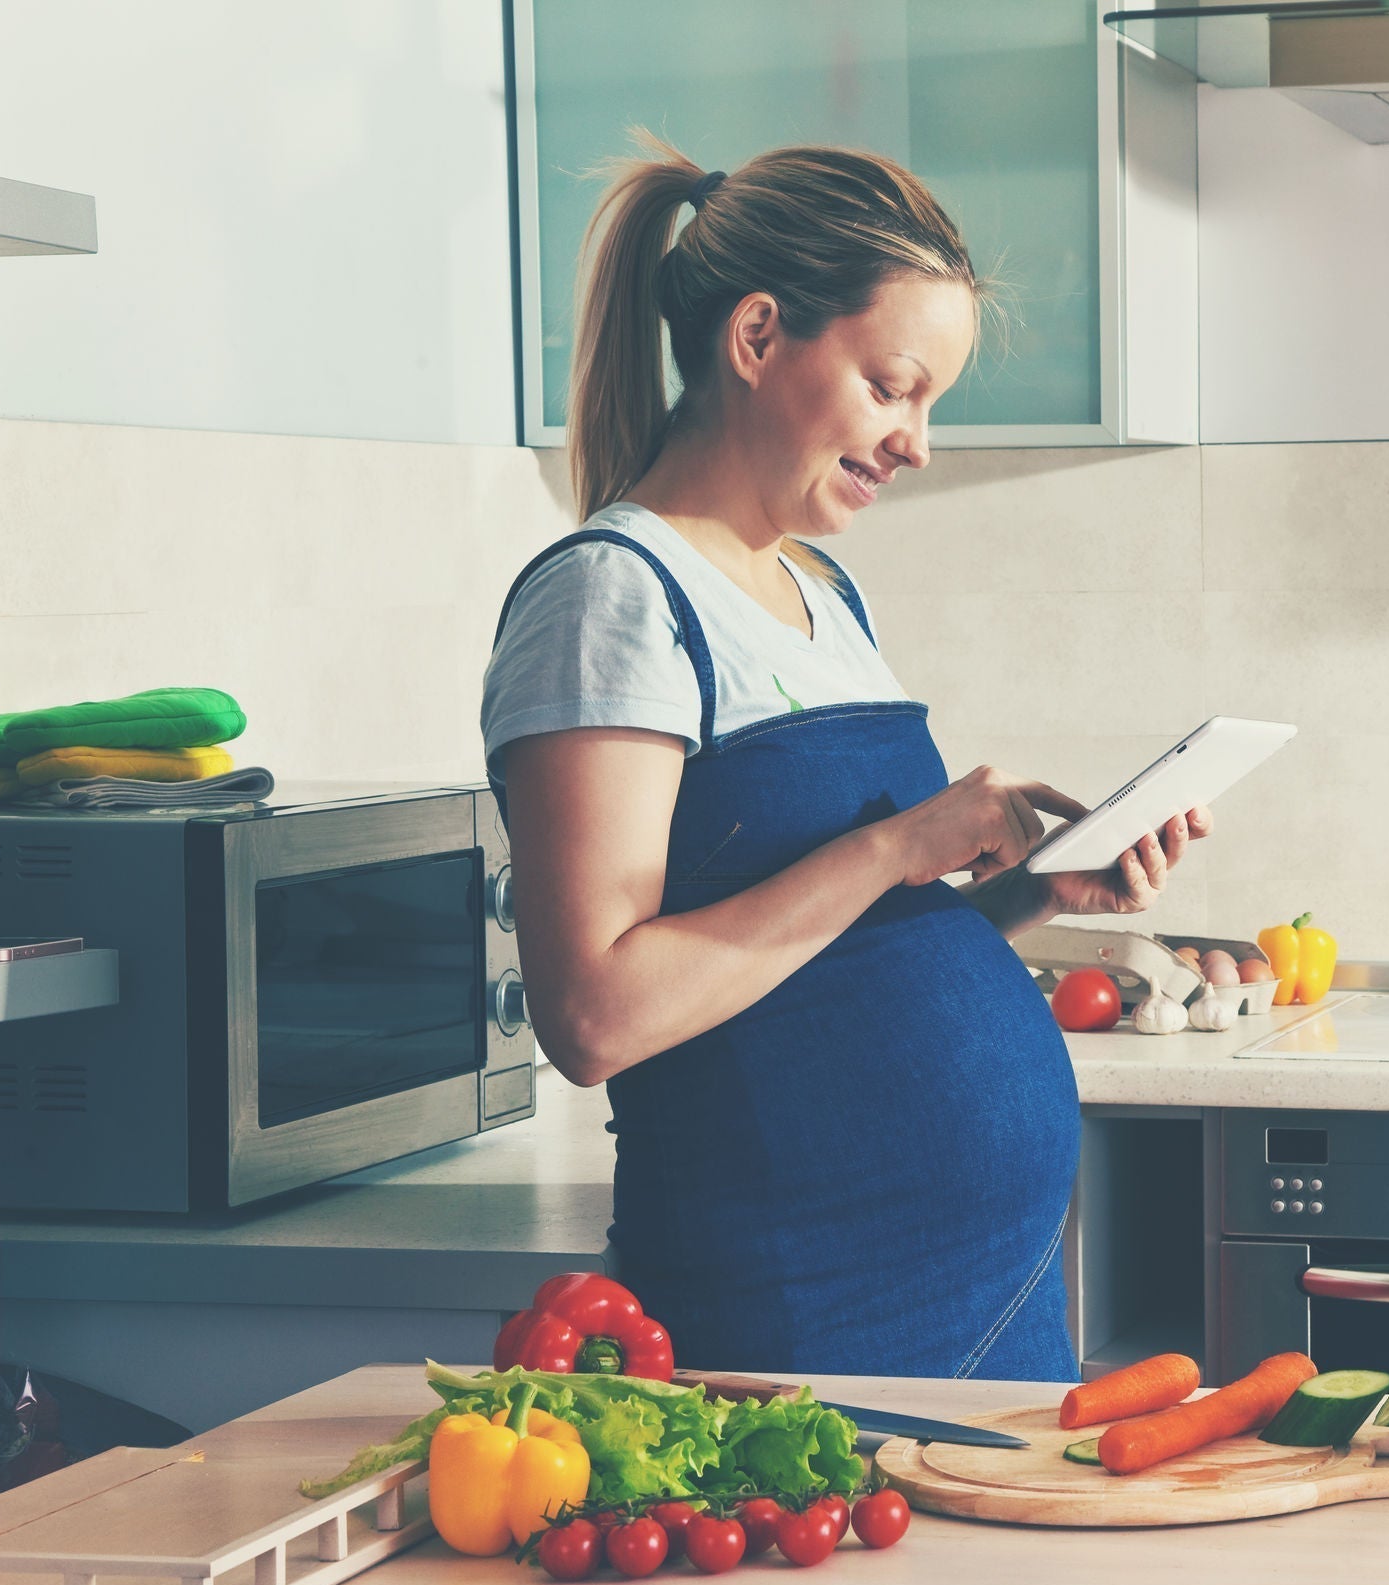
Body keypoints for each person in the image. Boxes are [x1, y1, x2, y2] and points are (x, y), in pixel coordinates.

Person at [481, 140, 1206, 1382]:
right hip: (801, 1322)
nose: (916, 442)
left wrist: (1028, 894)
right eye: (892, 388)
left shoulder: (827, 596)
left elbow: (837, 953)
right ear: (758, 337)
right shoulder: (612, 597)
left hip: (981, 1307)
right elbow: (596, 1014)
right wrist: (900, 842)